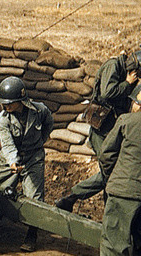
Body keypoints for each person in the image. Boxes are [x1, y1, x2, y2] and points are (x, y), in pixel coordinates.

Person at [0, 76, 54, 252]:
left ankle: (32, 234)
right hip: (9, 157)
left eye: (9, 103)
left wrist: (39, 143)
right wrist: (13, 162)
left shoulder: (40, 111)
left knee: (35, 197)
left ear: (20, 101)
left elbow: (48, 125)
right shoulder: (3, 119)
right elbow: (7, 144)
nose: (5, 106)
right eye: (3, 103)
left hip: (34, 157)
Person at [55, 50, 141, 212]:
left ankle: (73, 198)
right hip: (100, 132)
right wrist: (128, 83)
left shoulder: (126, 74)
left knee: (111, 173)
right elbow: (108, 93)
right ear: (134, 70)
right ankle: (74, 198)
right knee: (110, 174)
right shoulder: (113, 67)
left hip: (111, 131)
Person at [99, 84, 141, 255]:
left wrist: (113, 178)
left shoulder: (127, 121)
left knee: (113, 246)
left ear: (137, 104)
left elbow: (106, 154)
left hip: (123, 193)